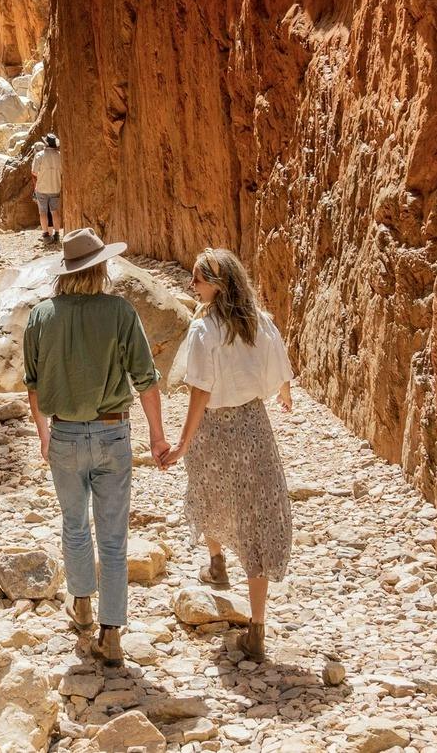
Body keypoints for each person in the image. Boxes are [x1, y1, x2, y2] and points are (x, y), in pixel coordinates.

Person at [24, 229, 167, 666]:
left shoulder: (41, 316)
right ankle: (112, 633)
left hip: (65, 434)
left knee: (73, 525)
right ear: (100, 268)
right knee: (113, 537)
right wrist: (158, 436)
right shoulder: (120, 311)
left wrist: (43, 433)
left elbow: (31, 384)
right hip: (112, 433)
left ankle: (82, 604)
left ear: (66, 273)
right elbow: (145, 378)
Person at [157, 247, 294, 663]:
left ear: (216, 285)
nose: (190, 286)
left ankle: (216, 560)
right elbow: (281, 370)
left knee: (208, 492)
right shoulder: (260, 323)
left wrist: (182, 442)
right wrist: (284, 392)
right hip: (254, 426)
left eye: (197, 280)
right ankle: (256, 627)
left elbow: (200, 390)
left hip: (214, 429)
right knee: (255, 518)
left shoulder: (205, 332)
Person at [30, 133, 63, 244]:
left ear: (46, 144)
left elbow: (34, 172)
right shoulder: (60, 155)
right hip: (55, 187)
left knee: (43, 212)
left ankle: (45, 235)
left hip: (42, 188)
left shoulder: (39, 155)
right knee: (55, 212)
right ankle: (57, 234)